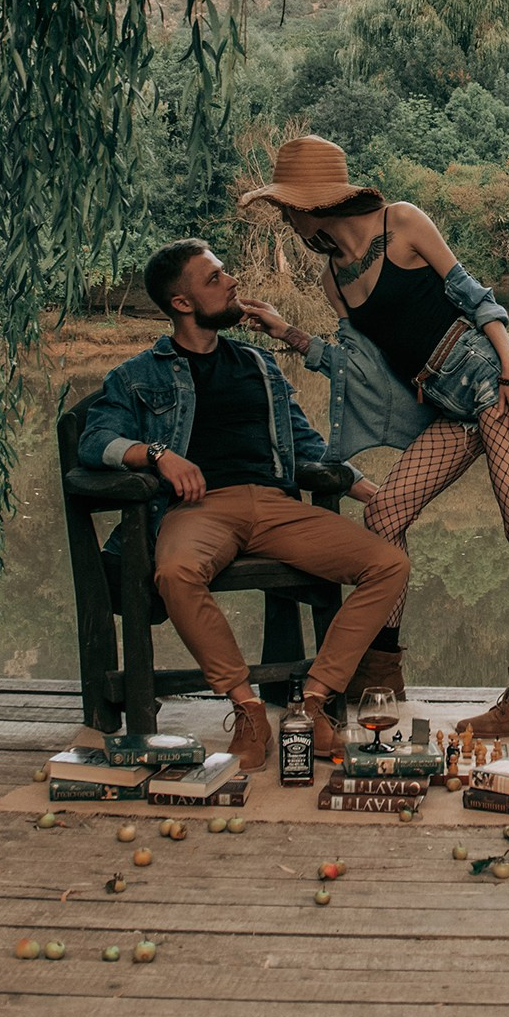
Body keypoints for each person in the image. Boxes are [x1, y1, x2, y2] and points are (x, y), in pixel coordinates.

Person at [237, 134, 509, 738]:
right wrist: (288, 334)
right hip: (448, 403)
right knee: (386, 513)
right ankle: (380, 674)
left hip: (495, 381)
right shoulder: (334, 280)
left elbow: (476, 297)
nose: (286, 222)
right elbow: (361, 366)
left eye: (286, 210)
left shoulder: (403, 222)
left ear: (312, 204)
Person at [76, 239, 410, 772]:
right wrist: (159, 455)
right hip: (199, 509)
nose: (231, 281)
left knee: (388, 564)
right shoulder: (141, 373)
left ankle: (315, 701)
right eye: (214, 278)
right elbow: (95, 442)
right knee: (177, 571)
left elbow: (305, 444)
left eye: (224, 272)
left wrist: (371, 489)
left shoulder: (258, 364)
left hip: (277, 507)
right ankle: (248, 708)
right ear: (182, 303)